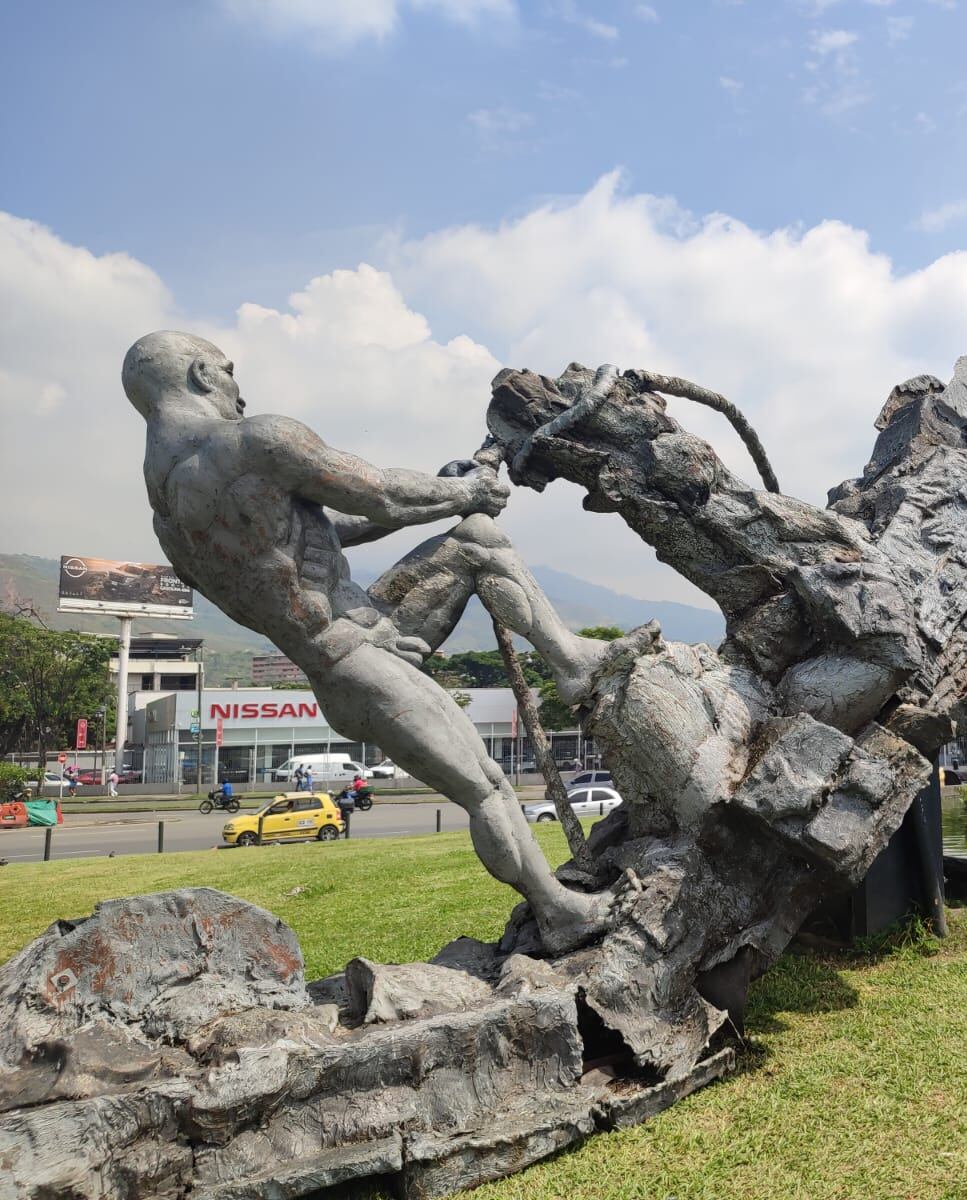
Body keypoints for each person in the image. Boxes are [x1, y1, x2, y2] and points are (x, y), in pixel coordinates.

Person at [124, 331, 630, 952]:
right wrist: (466, 490)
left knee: (473, 538)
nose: (239, 388)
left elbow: (320, 531)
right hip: (354, 665)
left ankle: (571, 659)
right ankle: (559, 912)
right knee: (487, 787)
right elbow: (378, 489)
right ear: (203, 374)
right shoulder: (256, 440)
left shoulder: (167, 517)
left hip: (355, 645)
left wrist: (445, 498)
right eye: (230, 373)